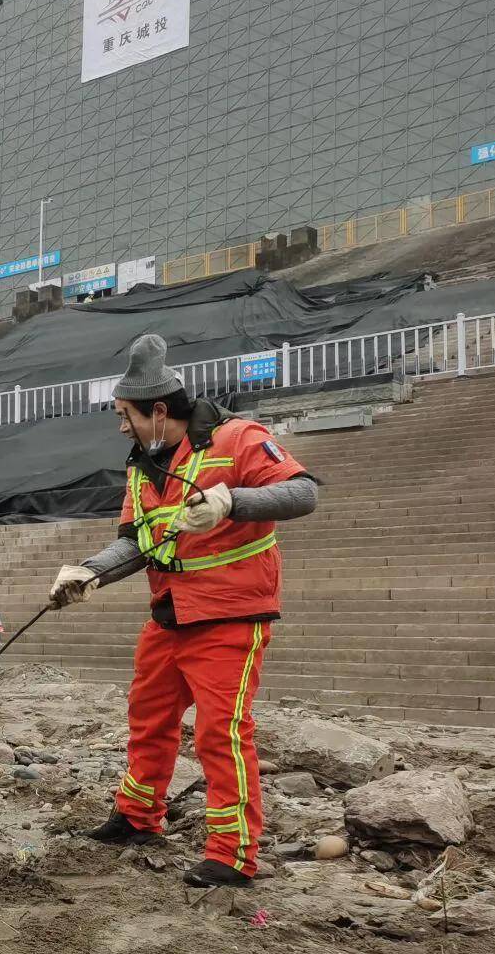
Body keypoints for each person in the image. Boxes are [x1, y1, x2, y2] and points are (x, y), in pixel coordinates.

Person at [49, 334, 319, 889]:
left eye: (125, 415)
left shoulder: (238, 439)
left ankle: (232, 852)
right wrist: (89, 571)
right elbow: (134, 542)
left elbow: (302, 494)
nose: (120, 425)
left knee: (220, 732)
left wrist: (231, 501)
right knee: (148, 717)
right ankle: (137, 815)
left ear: (159, 411)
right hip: (170, 614)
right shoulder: (141, 466)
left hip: (230, 616)